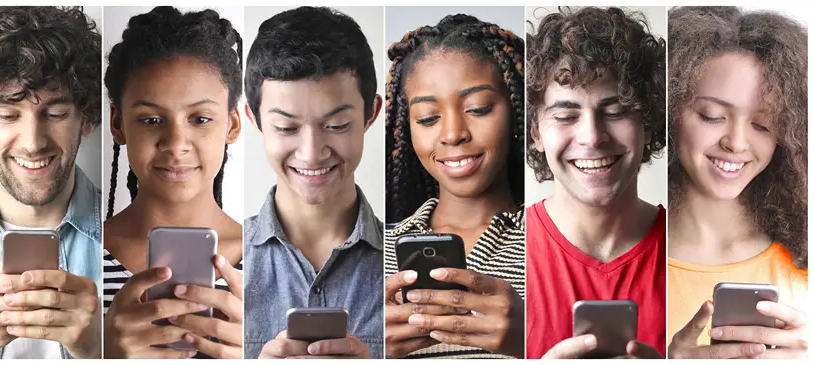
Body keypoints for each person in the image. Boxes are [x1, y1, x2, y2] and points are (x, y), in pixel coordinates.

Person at [100, 7, 244, 359]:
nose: (176, 143)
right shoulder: (76, 254)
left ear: (232, 126)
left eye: (200, 118)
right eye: (151, 119)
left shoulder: (275, 260)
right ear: (117, 124)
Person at [0, 6, 102, 359]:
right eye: (8, 114)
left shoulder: (128, 234)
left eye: (55, 114)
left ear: (87, 118)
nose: (33, 142)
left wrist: (100, 351)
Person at [665, 6, 808, 360]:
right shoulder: (624, 258)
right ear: (669, 112)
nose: (738, 143)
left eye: (763, 125)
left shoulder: (803, 265)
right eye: (712, 116)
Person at [524, 7, 667, 359]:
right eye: (565, 116)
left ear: (647, 124)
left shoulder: (690, 253)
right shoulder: (505, 256)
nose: (592, 137)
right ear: (536, 133)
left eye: (616, 111)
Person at [242, 6, 384, 359]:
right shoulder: (223, 264)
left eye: (336, 126)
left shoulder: (405, 266)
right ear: (254, 120)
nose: (311, 153)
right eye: (286, 128)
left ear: (371, 114)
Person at [382, 14, 525, 359]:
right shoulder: (376, 250)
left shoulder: (555, 241)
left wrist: (531, 341)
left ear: (517, 111)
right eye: (429, 118)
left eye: (478, 108)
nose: (452, 133)